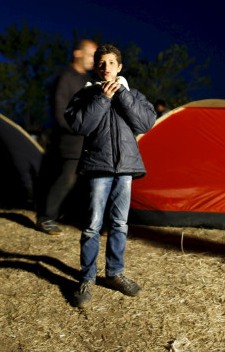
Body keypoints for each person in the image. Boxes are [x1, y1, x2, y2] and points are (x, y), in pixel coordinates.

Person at [65, 44, 157, 308]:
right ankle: (87, 278)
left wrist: (121, 96)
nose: (106, 68)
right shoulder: (86, 94)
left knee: (119, 224)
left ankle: (115, 274)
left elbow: (146, 123)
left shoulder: (133, 94)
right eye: (101, 64)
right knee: (93, 225)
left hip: (126, 167)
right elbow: (80, 125)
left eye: (111, 63)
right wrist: (102, 98)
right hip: (98, 166)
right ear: (97, 68)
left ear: (119, 67)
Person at [35, 39, 97, 235]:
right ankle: (46, 218)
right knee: (66, 179)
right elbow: (60, 112)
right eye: (90, 55)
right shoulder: (65, 78)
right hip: (70, 141)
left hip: (87, 141)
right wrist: (80, 128)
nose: (93, 61)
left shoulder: (86, 80)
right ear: (78, 53)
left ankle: (74, 217)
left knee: (86, 182)